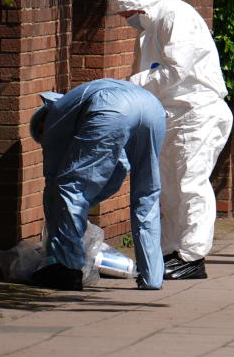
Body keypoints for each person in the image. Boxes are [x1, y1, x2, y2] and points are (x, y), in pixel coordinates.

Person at [111, 0, 234, 281]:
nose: (127, 22)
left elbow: (176, 70)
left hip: (197, 112)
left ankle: (192, 256)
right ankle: (169, 253)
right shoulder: (153, 25)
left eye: (127, 15)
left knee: (191, 184)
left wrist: (132, 84)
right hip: (173, 115)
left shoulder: (175, 15)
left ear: (139, 7)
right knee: (168, 188)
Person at [30, 79, 166, 291]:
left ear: (41, 124)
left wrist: (58, 236)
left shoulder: (53, 120)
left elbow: (55, 183)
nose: (42, 139)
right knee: (147, 193)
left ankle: (67, 270)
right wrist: (84, 202)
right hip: (152, 107)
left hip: (111, 106)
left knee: (68, 186)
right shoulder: (74, 106)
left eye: (39, 136)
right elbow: (119, 168)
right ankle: (152, 276)